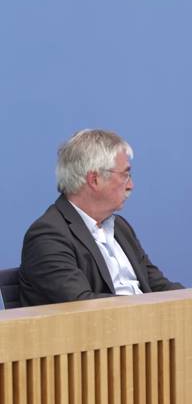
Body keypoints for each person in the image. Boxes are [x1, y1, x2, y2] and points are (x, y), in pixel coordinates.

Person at [19, 130, 183, 306]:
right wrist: (143, 306)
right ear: (95, 179)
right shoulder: (48, 236)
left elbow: (157, 285)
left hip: (147, 327)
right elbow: (80, 304)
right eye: (125, 175)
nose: (131, 185)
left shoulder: (120, 227)